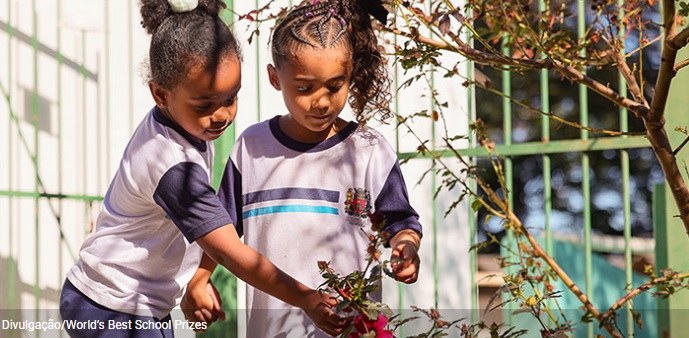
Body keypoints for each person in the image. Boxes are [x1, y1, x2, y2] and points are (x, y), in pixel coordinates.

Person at [58, 0, 347, 337]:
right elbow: (229, 249)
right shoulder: (170, 164)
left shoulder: (183, 126)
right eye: (205, 104)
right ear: (160, 94)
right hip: (107, 307)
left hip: (137, 304)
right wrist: (305, 297)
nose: (222, 114)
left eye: (231, 98)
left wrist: (195, 280)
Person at [182, 0, 423, 336]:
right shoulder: (252, 148)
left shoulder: (369, 150)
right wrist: (199, 277)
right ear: (274, 78)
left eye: (335, 86)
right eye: (304, 88)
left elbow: (400, 221)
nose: (321, 100)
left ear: (350, 75)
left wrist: (406, 246)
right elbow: (221, 230)